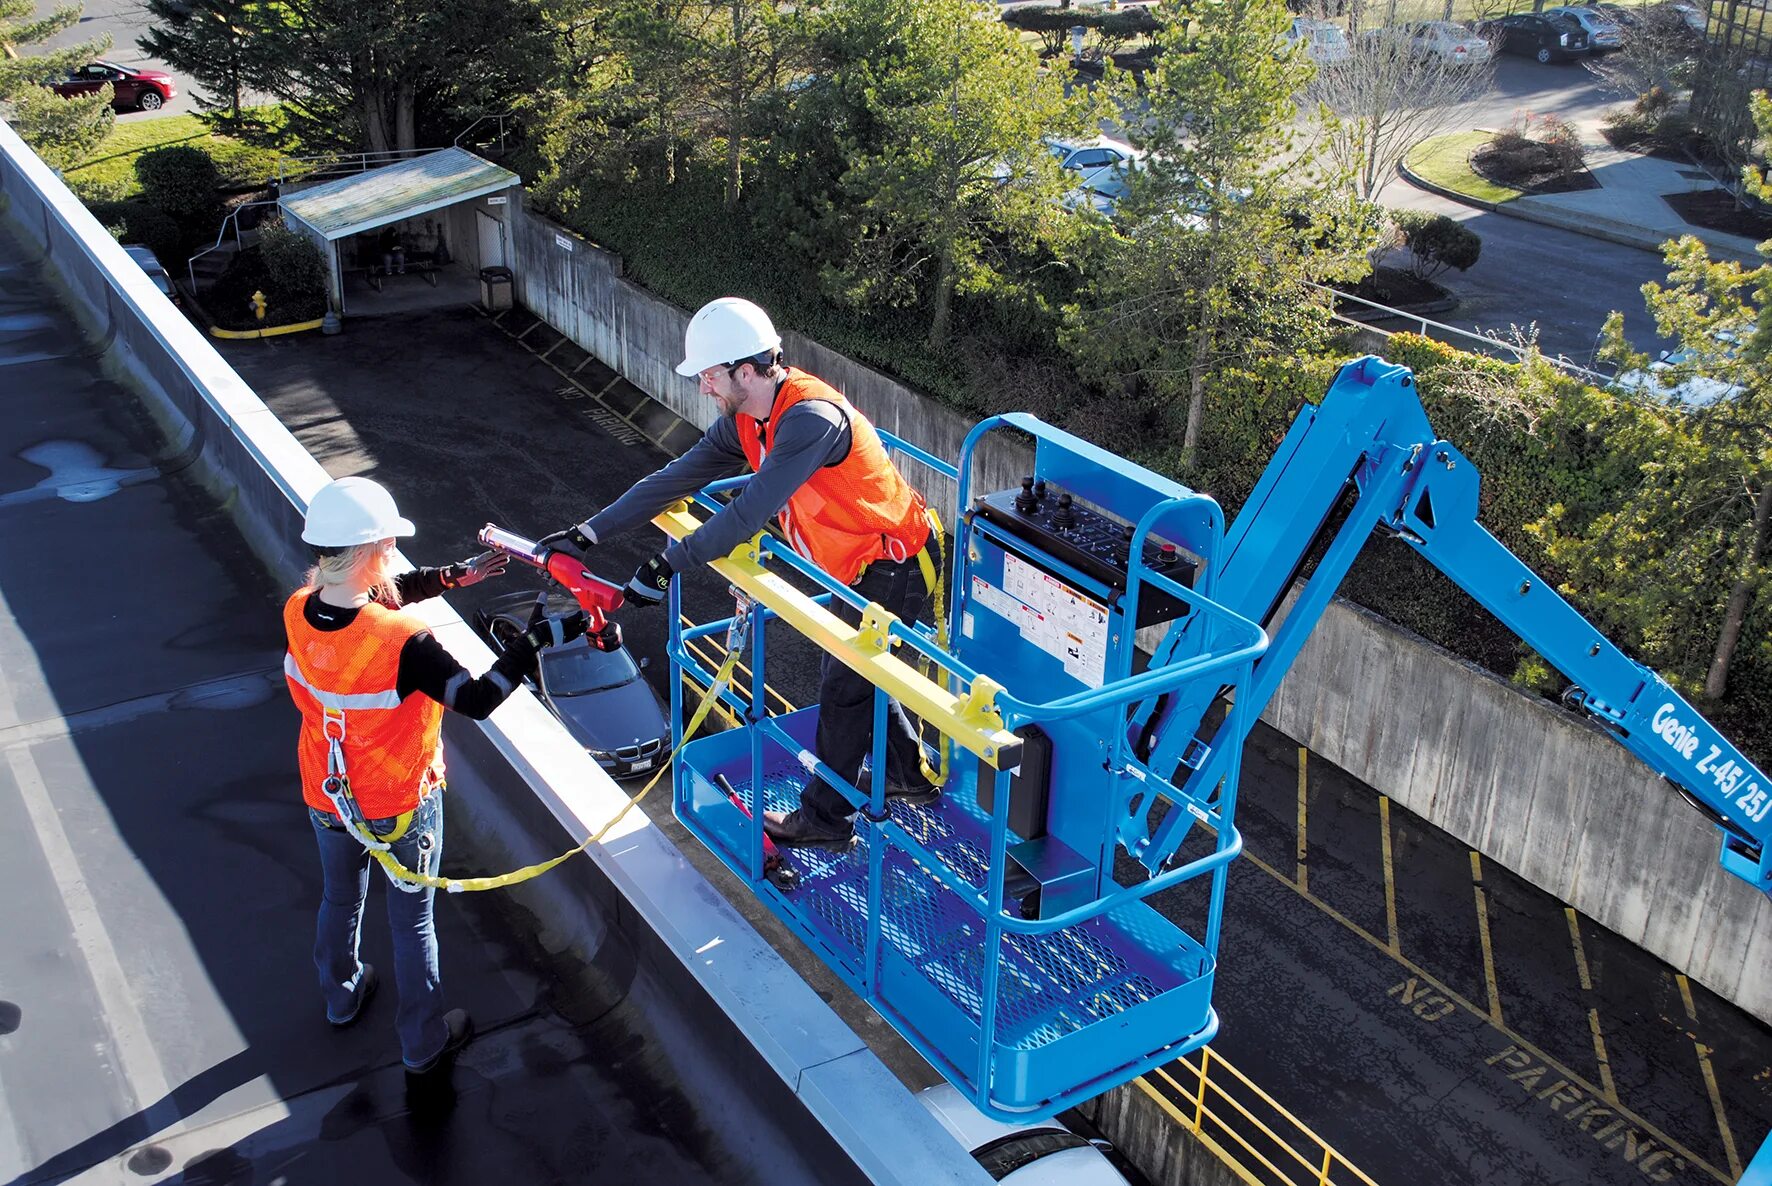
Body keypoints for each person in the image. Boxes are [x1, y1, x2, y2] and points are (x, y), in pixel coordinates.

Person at [539, 297, 938, 852]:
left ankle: (825, 819)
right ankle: (908, 777)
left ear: (744, 372)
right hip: (858, 561)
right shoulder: (750, 420)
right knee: (862, 678)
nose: (703, 388)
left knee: (845, 685)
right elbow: (672, 478)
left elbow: (749, 510)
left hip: (896, 560)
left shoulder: (808, 419)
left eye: (708, 375)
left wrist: (666, 564)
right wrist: (587, 533)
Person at [284, 477, 588, 1072]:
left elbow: (363, 602)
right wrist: (531, 643)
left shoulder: (300, 609)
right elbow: (476, 700)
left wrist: (449, 577)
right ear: (373, 550)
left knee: (340, 896)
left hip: (328, 791)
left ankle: (341, 994)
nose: (394, 553)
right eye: (390, 544)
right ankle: (422, 1041)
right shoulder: (403, 641)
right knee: (411, 922)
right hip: (399, 802)